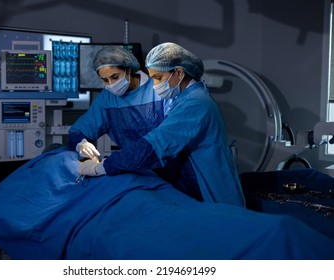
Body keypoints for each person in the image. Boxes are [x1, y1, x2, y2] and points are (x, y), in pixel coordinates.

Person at [79, 42, 246, 207]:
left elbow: (153, 146)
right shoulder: (184, 98)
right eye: (152, 78)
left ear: (179, 72)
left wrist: (100, 168)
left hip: (209, 190)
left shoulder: (196, 104)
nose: (155, 85)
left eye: (158, 78)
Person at [67, 45, 164, 161]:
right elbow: (78, 131)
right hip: (136, 168)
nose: (111, 83)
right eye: (105, 80)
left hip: (171, 165)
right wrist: (82, 144)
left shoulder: (160, 90)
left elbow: (176, 134)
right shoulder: (107, 99)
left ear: (128, 70)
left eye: (115, 77)